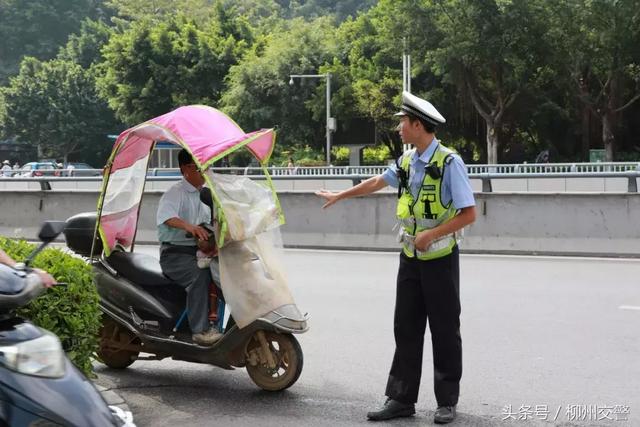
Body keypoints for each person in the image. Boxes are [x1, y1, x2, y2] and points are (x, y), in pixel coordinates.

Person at [316, 91, 476, 424]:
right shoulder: (407, 161)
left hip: (440, 259)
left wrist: (432, 235)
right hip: (410, 258)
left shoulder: (449, 162)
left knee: (445, 329)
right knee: (406, 328)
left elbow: (469, 214)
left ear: (418, 125)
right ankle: (401, 399)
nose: (399, 128)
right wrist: (341, 195)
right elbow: (377, 181)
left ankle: (447, 400)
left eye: (403, 122)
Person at [156, 149, 222, 346]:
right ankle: (200, 331)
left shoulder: (203, 195)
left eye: (206, 168)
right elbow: (166, 216)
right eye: (200, 168)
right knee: (200, 276)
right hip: (174, 254)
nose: (205, 172)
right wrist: (189, 226)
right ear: (185, 169)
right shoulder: (175, 192)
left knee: (222, 275)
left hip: (196, 252)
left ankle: (216, 323)